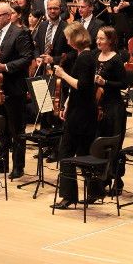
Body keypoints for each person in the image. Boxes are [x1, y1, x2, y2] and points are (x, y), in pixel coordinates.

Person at [51, 22, 99, 209]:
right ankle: (94, 191)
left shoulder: (85, 58)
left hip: (81, 113)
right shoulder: (85, 56)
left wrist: (62, 74)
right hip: (82, 109)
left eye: (69, 37)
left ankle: (69, 196)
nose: (67, 41)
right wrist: (66, 104)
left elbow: (83, 86)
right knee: (84, 151)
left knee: (66, 153)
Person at [0, 2, 34, 180]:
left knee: (16, 130)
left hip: (14, 88)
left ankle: (18, 166)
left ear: (9, 16)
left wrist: (5, 67)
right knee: (1, 128)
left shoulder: (20, 32)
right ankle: (2, 163)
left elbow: (27, 58)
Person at [94, 26, 128, 194]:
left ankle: (117, 181)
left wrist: (105, 83)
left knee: (114, 147)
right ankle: (102, 179)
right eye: (97, 38)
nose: (98, 41)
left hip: (114, 108)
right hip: (99, 106)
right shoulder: (95, 56)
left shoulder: (116, 60)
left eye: (102, 38)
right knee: (100, 145)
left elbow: (124, 84)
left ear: (110, 40)